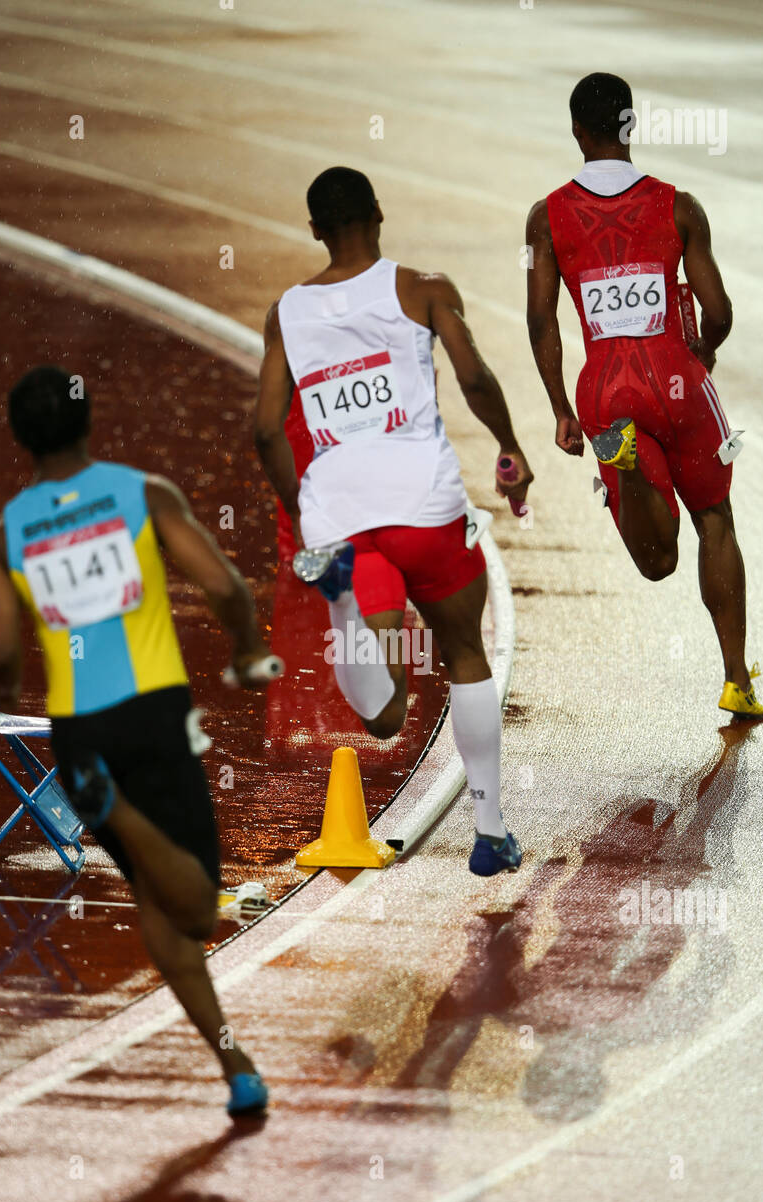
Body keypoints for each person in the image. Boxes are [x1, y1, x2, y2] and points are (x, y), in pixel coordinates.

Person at [0, 365, 274, 1116]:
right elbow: (225, 586)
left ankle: (236, 1064)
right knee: (200, 912)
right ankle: (131, 820)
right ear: (87, 420)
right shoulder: (143, 495)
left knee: (158, 909)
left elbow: (1, 650)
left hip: (82, 734)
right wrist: (243, 650)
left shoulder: (7, 536)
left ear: (20, 440)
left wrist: (6, 691)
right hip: (154, 716)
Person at [254, 167, 534, 876]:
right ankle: (490, 829)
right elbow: (474, 378)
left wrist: (304, 511)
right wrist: (509, 445)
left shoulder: (285, 312)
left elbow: (264, 430)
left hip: (341, 513)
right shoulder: (425, 290)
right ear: (379, 214)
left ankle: (346, 599)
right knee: (465, 651)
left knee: (382, 719)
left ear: (314, 229)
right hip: (425, 507)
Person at [526, 72, 763, 720]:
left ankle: (630, 475)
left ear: (577, 131)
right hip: (679, 379)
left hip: (604, 390)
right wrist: (703, 352)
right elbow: (718, 310)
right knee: (715, 519)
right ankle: (736, 679)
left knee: (656, 562)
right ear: (631, 127)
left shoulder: (545, 219)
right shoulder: (680, 206)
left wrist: (559, 409)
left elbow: (541, 319)